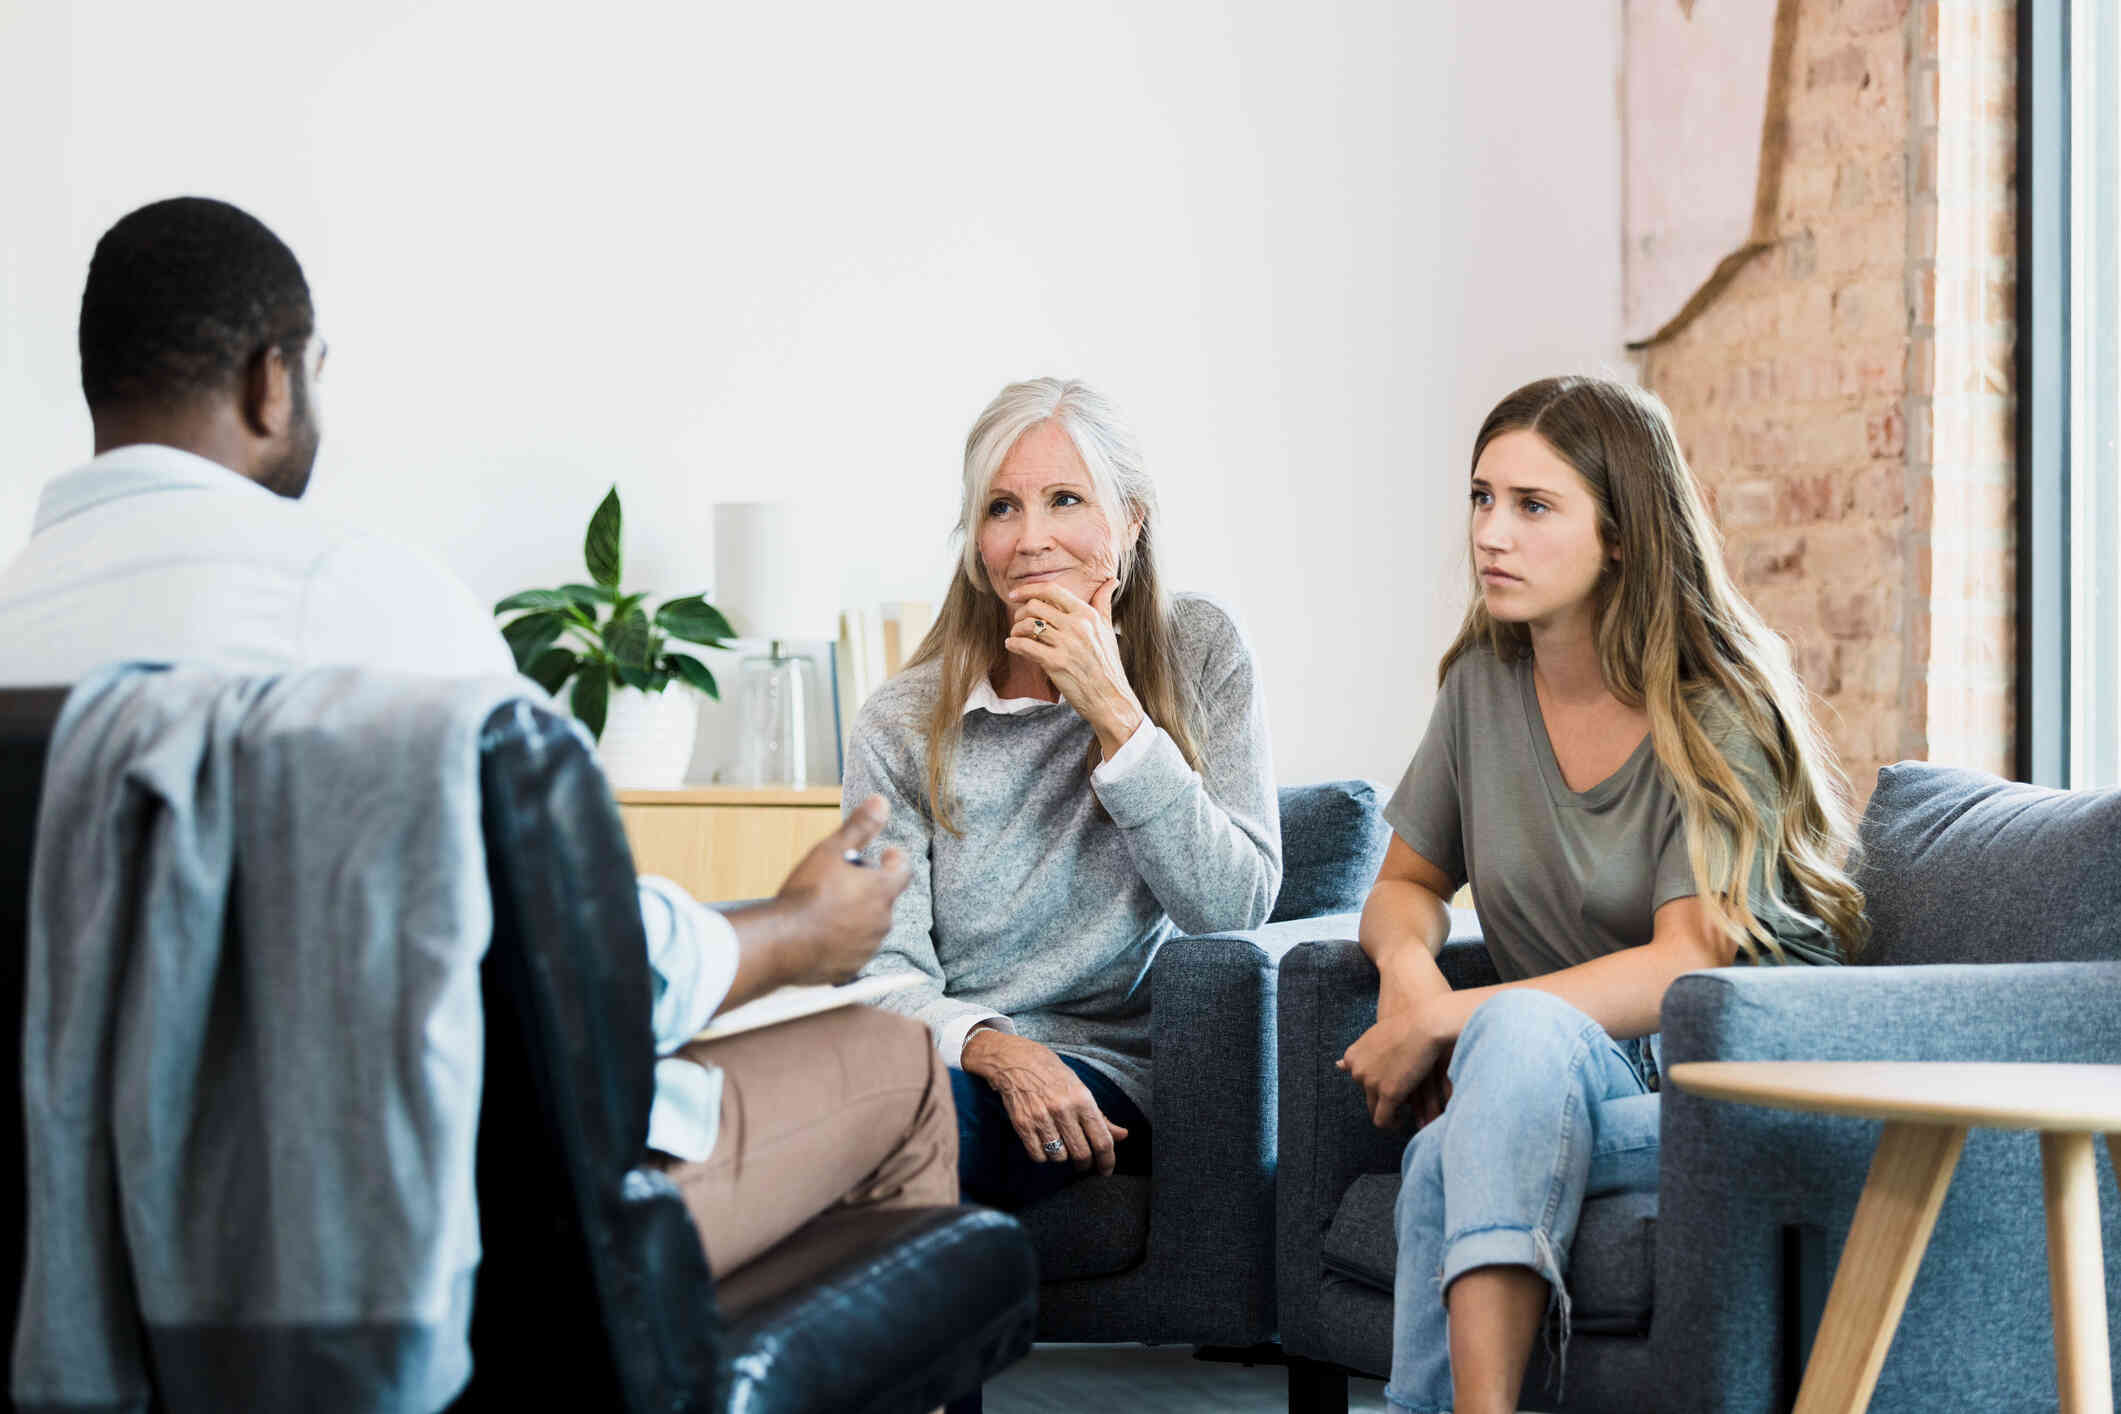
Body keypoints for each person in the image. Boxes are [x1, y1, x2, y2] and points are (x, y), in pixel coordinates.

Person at [0, 196, 947, 1295]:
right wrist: (793, 931)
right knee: (901, 1065)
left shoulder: (14, 623)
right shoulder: (355, 599)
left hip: (76, 1243)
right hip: (414, 1236)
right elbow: (577, 964)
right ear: (274, 378)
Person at [1337, 376, 1866, 1414]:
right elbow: (1404, 884)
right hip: (1557, 1065)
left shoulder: (1719, 707)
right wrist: (1407, 973)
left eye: (1535, 506)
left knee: (1459, 1134)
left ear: (1621, 535)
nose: (1493, 532)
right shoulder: (1482, 688)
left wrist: (1451, 1017)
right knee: (1499, 1073)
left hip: (1731, 1076)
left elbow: (1685, 963)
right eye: (1483, 498)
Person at [843, 376, 1281, 1210]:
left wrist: (1116, 714)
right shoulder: (901, 721)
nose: (1032, 538)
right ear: (975, 541)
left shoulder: (1200, 650)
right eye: (1001, 508)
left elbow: (1233, 908)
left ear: (1131, 522)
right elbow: (880, 970)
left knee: (887, 1134)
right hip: (952, 1059)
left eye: (1065, 500)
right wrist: (993, 1049)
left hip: (1113, 1076)